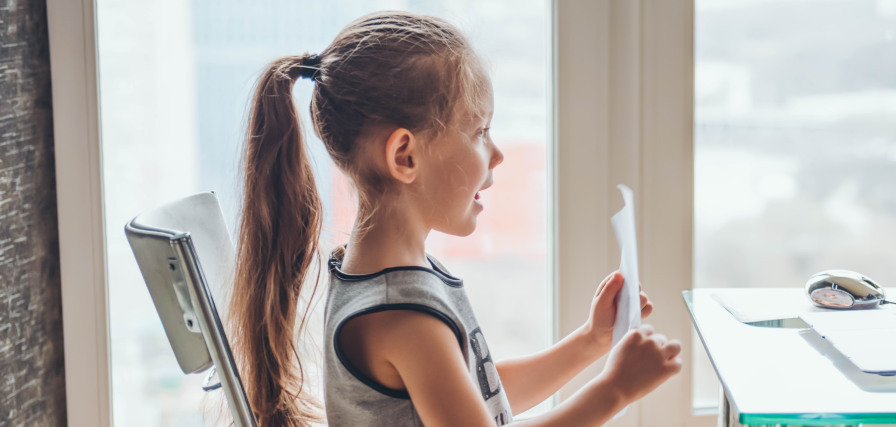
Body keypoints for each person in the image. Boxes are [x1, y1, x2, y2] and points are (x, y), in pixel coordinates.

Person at [228, 11, 682, 426]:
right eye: (480, 131)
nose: (498, 154)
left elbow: (476, 395)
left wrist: (589, 342)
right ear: (405, 155)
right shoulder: (401, 314)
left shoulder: (387, 281)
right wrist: (613, 391)